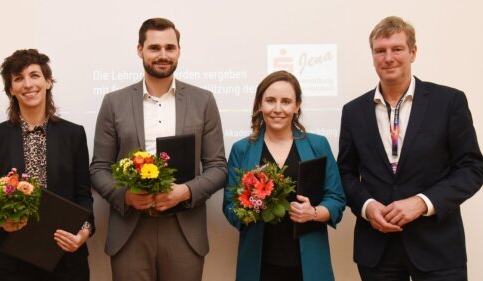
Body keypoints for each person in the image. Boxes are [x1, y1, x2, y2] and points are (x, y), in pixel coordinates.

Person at [337, 16, 483, 281]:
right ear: (372, 56)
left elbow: (472, 168)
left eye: (397, 49)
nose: (388, 57)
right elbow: (345, 173)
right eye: (380, 51)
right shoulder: (353, 111)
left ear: (413, 52)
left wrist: (422, 203)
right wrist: (368, 207)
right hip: (377, 250)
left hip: (438, 249)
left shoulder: (449, 102)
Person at [90, 18, 227, 281]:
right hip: (130, 228)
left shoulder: (204, 101)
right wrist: (126, 196)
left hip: (184, 228)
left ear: (178, 51)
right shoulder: (113, 103)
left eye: (170, 48)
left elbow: (218, 167)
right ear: (140, 50)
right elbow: (98, 168)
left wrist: (185, 191)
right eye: (154, 48)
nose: (163, 55)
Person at [223, 71, 346, 281]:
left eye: (286, 101)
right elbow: (229, 206)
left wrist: (314, 213)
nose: (278, 109)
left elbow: (337, 199)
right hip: (259, 264)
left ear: (297, 106)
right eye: (270, 101)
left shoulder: (318, 145)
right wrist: (251, 206)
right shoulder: (241, 149)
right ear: (260, 104)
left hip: (309, 264)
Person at [0, 49, 94, 280]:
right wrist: (1, 222)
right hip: (10, 263)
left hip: (65, 258)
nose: (28, 84)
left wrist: (84, 232)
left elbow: (83, 195)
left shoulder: (73, 134)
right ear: (10, 89)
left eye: (34, 75)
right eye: (18, 78)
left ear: (48, 82)